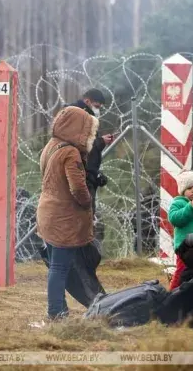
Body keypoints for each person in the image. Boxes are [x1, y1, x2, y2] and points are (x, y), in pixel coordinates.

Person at [37, 106, 104, 320]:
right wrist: (87, 204)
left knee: (58, 265)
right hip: (63, 217)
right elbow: (78, 187)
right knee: (59, 266)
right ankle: (56, 311)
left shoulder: (52, 145)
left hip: (49, 211)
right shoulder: (71, 152)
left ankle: (59, 309)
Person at [67, 88, 114, 216]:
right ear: (87, 101)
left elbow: (88, 145)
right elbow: (78, 144)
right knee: (83, 220)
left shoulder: (86, 116)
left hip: (86, 175)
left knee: (85, 220)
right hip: (80, 176)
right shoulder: (76, 115)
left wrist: (95, 173)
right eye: (96, 106)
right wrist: (100, 142)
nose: (98, 110)